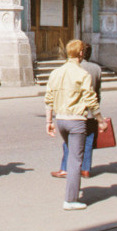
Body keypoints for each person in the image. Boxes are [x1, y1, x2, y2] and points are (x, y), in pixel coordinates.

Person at [44, 39, 105, 211]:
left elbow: (49, 98)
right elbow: (91, 100)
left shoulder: (56, 72)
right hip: (76, 121)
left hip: (60, 120)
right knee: (75, 161)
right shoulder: (82, 74)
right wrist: (100, 120)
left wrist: (49, 121)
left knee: (72, 155)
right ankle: (70, 200)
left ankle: (72, 192)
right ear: (80, 54)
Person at [51, 42, 102, 180]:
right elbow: (97, 93)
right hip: (91, 112)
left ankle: (65, 168)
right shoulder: (96, 69)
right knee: (89, 140)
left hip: (76, 112)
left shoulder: (73, 69)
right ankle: (85, 169)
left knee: (70, 142)